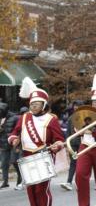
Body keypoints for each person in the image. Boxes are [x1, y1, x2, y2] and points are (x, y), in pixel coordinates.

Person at [8, 77, 64, 206]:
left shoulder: (51, 119)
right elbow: (14, 133)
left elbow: (59, 139)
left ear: (43, 105)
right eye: (31, 104)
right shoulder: (24, 117)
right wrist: (14, 139)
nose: (33, 106)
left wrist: (58, 145)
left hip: (44, 155)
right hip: (27, 155)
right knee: (31, 189)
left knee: (41, 189)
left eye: (36, 104)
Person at [75, 74, 96, 206]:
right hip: (85, 146)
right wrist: (80, 130)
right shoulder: (85, 112)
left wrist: (92, 130)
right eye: (94, 100)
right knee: (80, 175)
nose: (95, 102)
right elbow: (76, 127)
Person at [60, 100, 84, 191]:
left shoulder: (86, 117)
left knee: (81, 164)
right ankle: (69, 182)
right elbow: (68, 133)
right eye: (75, 106)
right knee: (73, 163)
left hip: (83, 145)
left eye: (78, 106)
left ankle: (80, 183)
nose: (76, 108)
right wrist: (67, 144)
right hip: (73, 145)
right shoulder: (71, 118)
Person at [0, 102, 21, 189]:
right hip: (3, 144)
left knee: (14, 161)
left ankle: (20, 179)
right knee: (4, 164)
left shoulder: (15, 118)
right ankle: (5, 181)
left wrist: (18, 143)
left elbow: (19, 130)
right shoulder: (1, 119)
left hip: (13, 144)